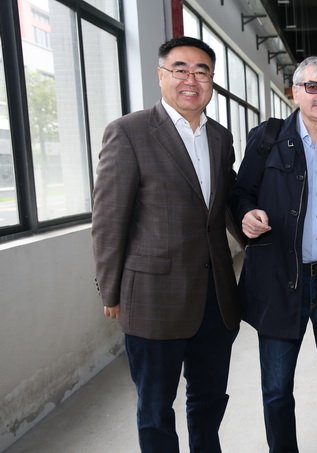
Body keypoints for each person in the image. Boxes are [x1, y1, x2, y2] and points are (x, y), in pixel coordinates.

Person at [91, 36, 241, 452]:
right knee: (156, 408)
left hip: (216, 297)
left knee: (209, 399)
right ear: (161, 76)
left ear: (212, 81)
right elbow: (108, 218)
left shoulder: (220, 137)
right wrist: (110, 290)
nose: (191, 79)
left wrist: (256, 233)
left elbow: (227, 204)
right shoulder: (130, 132)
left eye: (202, 71)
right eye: (180, 69)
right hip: (153, 297)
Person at [232, 56, 317, 453]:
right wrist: (246, 215)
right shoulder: (268, 139)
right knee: (276, 389)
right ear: (295, 92)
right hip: (280, 280)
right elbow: (241, 193)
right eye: (312, 86)